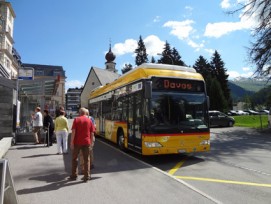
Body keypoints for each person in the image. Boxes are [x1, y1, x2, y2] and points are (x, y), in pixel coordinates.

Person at [69, 107, 95, 182]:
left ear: (79, 113)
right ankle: (86, 176)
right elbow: (92, 133)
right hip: (86, 142)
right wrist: (91, 142)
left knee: (75, 158)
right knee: (87, 159)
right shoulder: (89, 120)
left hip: (77, 142)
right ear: (85, 113)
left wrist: (72, 142)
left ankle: (74, 175)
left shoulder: (76, 120)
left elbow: (73, 132)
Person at [79, 109, 96, 173]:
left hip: (81, 138)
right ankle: (90, 165)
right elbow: (94, 129)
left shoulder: (78, 119)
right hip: (90, 137)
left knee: (81, 154)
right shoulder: (91, 119)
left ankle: (83, 168)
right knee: (90, 152)